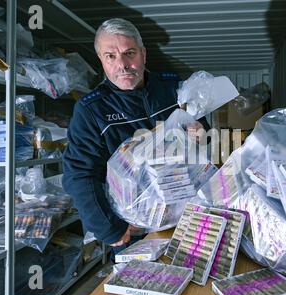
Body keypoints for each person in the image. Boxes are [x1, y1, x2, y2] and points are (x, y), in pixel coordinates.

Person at [62, 18, 209, 262]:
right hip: (135, 228)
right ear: (101, 60)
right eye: (110, 56)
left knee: (196, 278)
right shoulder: (91, 110)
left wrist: (201, 133)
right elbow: (79, 174)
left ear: (143, 54)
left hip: (189, 214)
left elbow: (204, 136)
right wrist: (108, 228)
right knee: (146, 287)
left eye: (129, 53)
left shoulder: (173, 89)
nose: (122, 64)